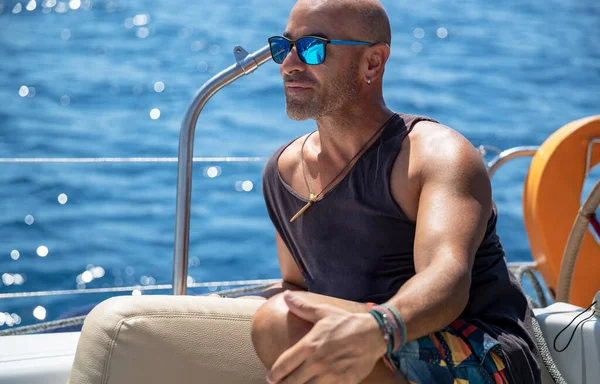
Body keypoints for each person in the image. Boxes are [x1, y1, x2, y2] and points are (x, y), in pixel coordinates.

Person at [250, 0, 541, 383]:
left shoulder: (435, 155)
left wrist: (379, 328)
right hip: (379, 344)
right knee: (279, 318)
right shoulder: (282, 172)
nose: (289, 64)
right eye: (282, 47)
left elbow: (447, 279)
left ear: (372, 62)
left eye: (312, 47)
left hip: (483, 354)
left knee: (279, 322)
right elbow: (296, 287)